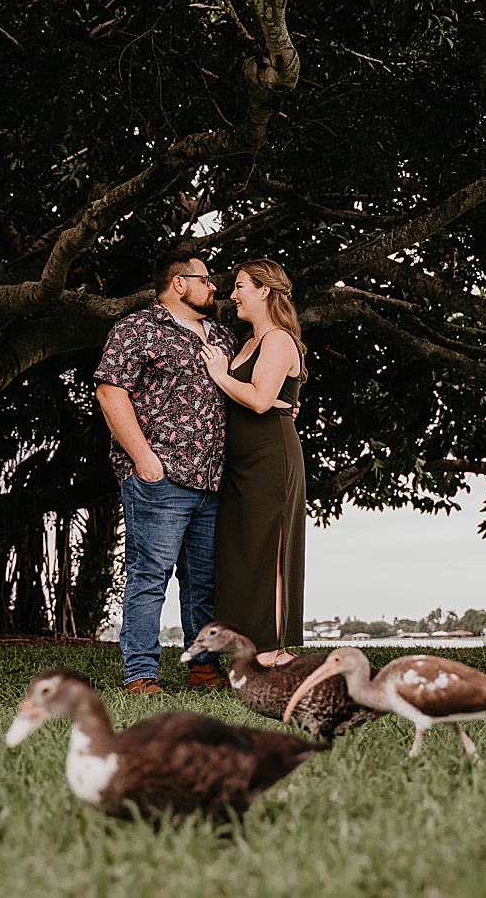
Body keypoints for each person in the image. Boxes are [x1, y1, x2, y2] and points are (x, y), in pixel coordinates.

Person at [94, 248, 236, 693]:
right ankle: (140, 673)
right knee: (149, 576)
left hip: (212, 479)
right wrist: (144, 459)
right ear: (179, 283)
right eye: (205, 279)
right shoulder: (137, 329)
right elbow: (110, 393)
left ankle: (203, 667)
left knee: (203, 580)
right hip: (160, 477)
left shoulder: (223, 336)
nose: (214, 287)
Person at [200, 259, 307, 667]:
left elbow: (261, 400)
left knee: (269, 550)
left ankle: (274, 651)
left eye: (240, 286)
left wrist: (219, 374)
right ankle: (253, 647)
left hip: (269, 459)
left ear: (264, 290)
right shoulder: (248, 343)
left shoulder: (278, 339)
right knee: (243, 552)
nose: (232, 295)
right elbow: (264, 396)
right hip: (240, 462)